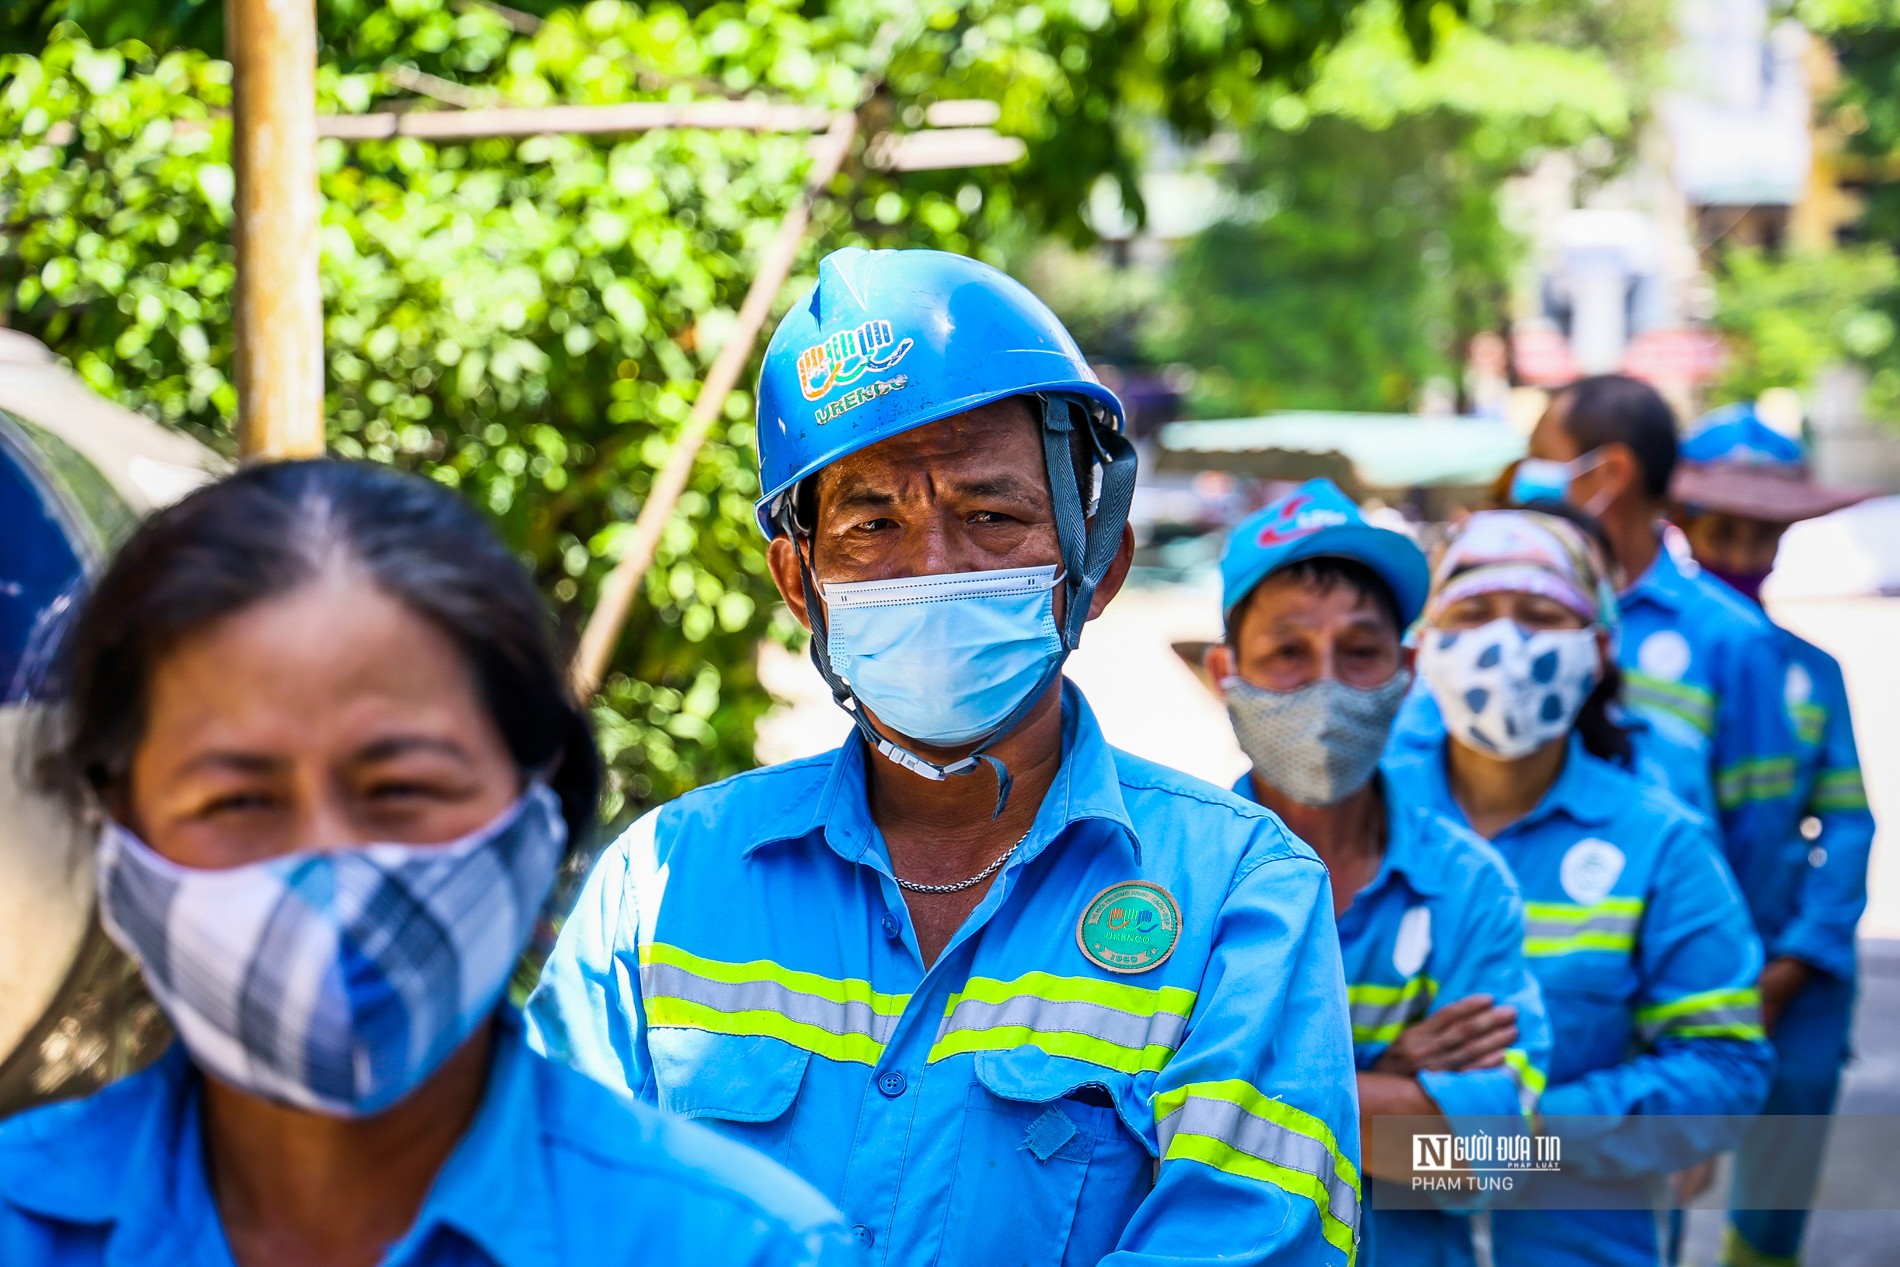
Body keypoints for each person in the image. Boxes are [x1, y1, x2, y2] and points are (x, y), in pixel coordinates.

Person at [527, 247, 1363, 1266]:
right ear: (800, 582)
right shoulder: (655, 892)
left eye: (990, 515)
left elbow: (1261, 1242)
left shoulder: (1239, 896)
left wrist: (1483, 1137)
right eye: (872, 522)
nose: (932, 567)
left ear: (1096, 563)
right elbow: (542, 1216)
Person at [0, 460, 850, 1267]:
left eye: (400, 786)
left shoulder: (735, 1246)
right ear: (118, 832)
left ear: (537, 815)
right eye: (237, 801)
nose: (328, 864)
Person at [1383, 508, 1774, 1267]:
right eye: (1473, 612)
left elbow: (1727, 1067)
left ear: (1597, 649)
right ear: (1424, 646)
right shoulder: (1352, 827)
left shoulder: (1658, 840)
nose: (1505, 643)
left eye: (1538, 614)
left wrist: (1514, 1140)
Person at [1208, 479, 1550, 1267]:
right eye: (1288, 651)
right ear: (1226, 669)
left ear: (1406, 666)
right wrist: (1383, 1084)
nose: (1326, 685)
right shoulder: (1177, 880)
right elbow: (1131, 1130)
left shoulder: (1468, 885)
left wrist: (1250, 1097)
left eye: (1359, 651)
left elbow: (1494, 1157)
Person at [1671, 405, 1878, 1267]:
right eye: (1728, 528)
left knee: (1773, 1203)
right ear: (1682, 522)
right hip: (1666, 967)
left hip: (1795, 971)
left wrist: (1797, 961)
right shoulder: (1638, 661)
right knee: (1619, 1184)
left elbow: (1851, 822)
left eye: (1769, 533)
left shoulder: (1813, 671)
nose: (1748, 552)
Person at [1514, 375, 1802, 943]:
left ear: (1610, 474)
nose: (1525, 477)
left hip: (1680, 954)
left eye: (1543, 458)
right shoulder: (1512, 620)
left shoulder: (1731, 638)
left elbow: (1763, 834)